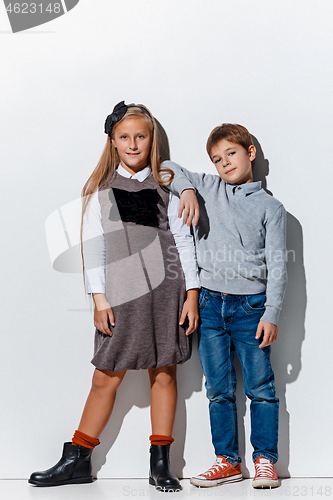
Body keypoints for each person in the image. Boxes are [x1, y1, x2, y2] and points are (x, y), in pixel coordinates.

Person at [29, 101, 200, 492]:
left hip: (166, 291)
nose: (133, 144)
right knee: (105, 376)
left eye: (140, 136)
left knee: (164, 374)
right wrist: (99, 299)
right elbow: (96, 249)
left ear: (151, 139)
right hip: (122, 296)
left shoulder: (168, 184)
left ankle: (161, 463)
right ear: (113, 141)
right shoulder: (102, 190)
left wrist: (191, 295)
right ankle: (78, 458)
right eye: (125, 137)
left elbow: (184, 242)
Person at [165, 123, 287, 489]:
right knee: (218, 389)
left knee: (261, 388)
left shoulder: (271, 207)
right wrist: (187, 188)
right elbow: (166, 167)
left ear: (250, 153)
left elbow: (279, 264)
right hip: (211, 305)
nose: (224, 164)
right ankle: (227, 461)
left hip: (251, 308)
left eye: (230, 154)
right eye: (217, 160)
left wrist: (272, 312)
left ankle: (265, 461)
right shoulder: (209, 187)